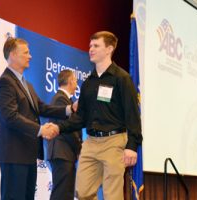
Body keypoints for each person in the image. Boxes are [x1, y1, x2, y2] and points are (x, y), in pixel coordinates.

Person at [50, 31, 143, 200]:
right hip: (91, 143)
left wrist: (132, 146)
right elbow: (80, 117)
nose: (90, 49)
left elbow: (133, 115)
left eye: (96, 45)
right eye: (90, 45)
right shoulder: (88, 82)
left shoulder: (122, 78)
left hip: (114, 142)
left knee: (112, 195)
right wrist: (59, 127)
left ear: (109, 49)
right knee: (83, 192)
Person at [0, 37, 74, 200]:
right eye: (26, 52)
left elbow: (42, 108)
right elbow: (10, 116)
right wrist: (40, 129)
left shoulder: (27, 84)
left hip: (28, 154)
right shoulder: (5, 82)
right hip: (14, 154)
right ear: (13, 55)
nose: (30, 56)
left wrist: (69, 109)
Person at [47, 69, 82, 200]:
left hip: (66, 154)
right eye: (76, 81)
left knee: (66, 194)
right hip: (62, 153)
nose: (77, 84)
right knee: (61, 194)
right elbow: (66, 129)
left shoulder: (66, 100)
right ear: (70, 81)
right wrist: (79, 147)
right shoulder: (60, 99)